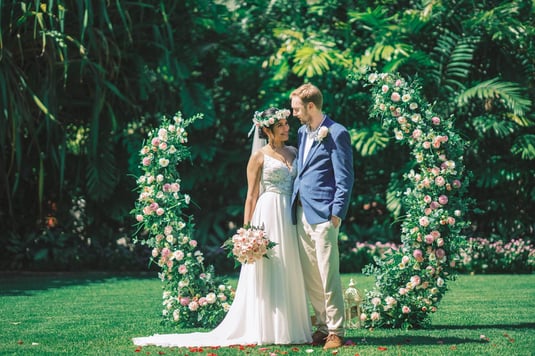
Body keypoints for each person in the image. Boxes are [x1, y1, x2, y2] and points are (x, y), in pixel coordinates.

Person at [132, 107, 312, 347]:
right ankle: (268, 328)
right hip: (268, 212)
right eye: (280, 125)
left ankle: (290, 327)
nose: (286, 128)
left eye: (286, 124)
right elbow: (251, 195)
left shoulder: (294, 152)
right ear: (267, 129)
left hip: (289, 215)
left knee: (289, 266)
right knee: (270, 267)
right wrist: (248, 232)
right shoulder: (259, 156)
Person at [290, 84, 354, 350]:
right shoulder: (302, 132)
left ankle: (337, 330)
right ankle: (322, 327)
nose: (294, 114)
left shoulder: (337, 133)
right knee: (312, 276)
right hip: (301, 211)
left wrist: (336, 213)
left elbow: (345, 177)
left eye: (296, 109)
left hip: (325, 215)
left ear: (311, 107)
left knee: (328, 275)